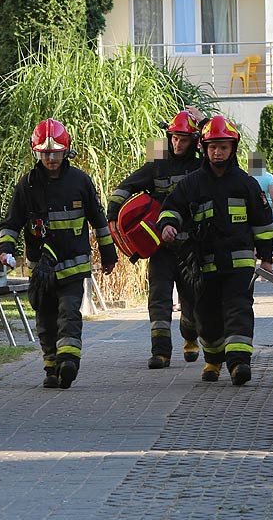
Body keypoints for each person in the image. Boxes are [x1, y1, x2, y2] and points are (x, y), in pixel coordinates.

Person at [0, 118, 117, 389]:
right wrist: (5, 249)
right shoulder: (27, 185)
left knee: (69, 313)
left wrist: (108, 255)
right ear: (36, 152)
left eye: (56, 152)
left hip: (73, 265)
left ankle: (69, 361)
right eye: (45, 152)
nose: (51, 158)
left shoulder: (80, 181)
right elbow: (11, 223)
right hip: (42, 268)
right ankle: (51, 366)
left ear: (66, 151)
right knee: (45, 318)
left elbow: (98, 220)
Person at [158, 115, 273, 386]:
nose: (217, 152)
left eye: (223, 146)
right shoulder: (193, 183)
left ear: (233, 148)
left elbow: (264, 225)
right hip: (204, 264)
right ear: (204, 148)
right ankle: (212, 360)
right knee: (206, 318)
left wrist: (266, 259)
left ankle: (238, 364)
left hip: (239, 263)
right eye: (212, 147)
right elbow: (171, 207)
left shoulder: (247, 184)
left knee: (239, 310)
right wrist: (168, 225)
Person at [107, 110, 202, 369]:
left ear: (194, 140)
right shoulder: (157, 163)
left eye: (183, 139)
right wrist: (113, 215)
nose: (177, 143)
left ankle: (190, 334)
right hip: (161, 246)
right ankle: (160, 352)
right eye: (173, 138)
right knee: (158, 298)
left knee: (193, 300)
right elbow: (125, 187)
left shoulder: (201, 166)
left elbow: (229, 165)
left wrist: (204, 123)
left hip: (192, 247)